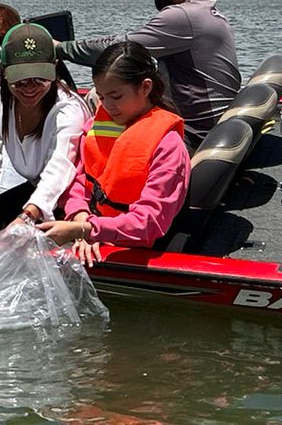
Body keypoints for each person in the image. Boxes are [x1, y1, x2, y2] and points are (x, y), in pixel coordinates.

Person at [55, 0, 240, 148]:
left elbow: (118, 50)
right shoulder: (208, 13)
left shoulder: (184, 16)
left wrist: (60, 48)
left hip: (191, 137)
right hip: (208, 130)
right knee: (101, 95)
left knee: (98, 108)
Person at [40, 41, 190, 266]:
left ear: (146, 87)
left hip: (137, 245)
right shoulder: (98, 126)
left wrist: (89, 230)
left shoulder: (168, 146)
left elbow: (148, 223)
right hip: (91, 226)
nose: (108, 105)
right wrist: (81, 219)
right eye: (101, 96)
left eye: (116, 96)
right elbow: (79, 182)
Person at [0, 22, 89, 244]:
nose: (30, 87)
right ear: (4, 72)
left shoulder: (68, 109)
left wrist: (27, 217)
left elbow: (59, 169)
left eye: (40, 78)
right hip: (36, 190)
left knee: (18, 233)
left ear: (54, 68)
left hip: (73, 196)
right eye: (20, 79)